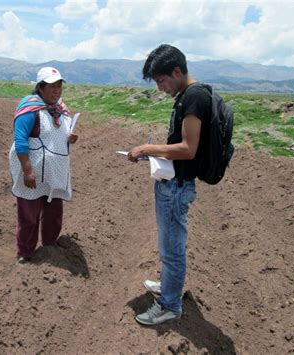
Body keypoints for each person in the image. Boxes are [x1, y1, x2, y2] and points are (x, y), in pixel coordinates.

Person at [127, 44, 211, 325]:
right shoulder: (188, 96)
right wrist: (154, 153)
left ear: (177, 71)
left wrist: (149, 148)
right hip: (172, 183)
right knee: (168, 247)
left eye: (162, 81)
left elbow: (188, 149)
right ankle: (168, 286)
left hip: (176, 188)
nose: (161, 88)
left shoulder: (195, 97)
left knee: (172, 250)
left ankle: (170, 305)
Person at [8, 67, 78, 264]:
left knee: (53, 210)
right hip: (33, 172)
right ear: (40, 87)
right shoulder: (30, 109)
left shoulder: (61, 110)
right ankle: (25, 253)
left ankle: (49, 243)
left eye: (59, 86)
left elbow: (62, 134)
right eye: (52, 87)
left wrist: (71, 138)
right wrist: (27, 170)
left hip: (54, 171)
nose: (56, 91)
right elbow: (20, 139)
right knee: (29, 213)